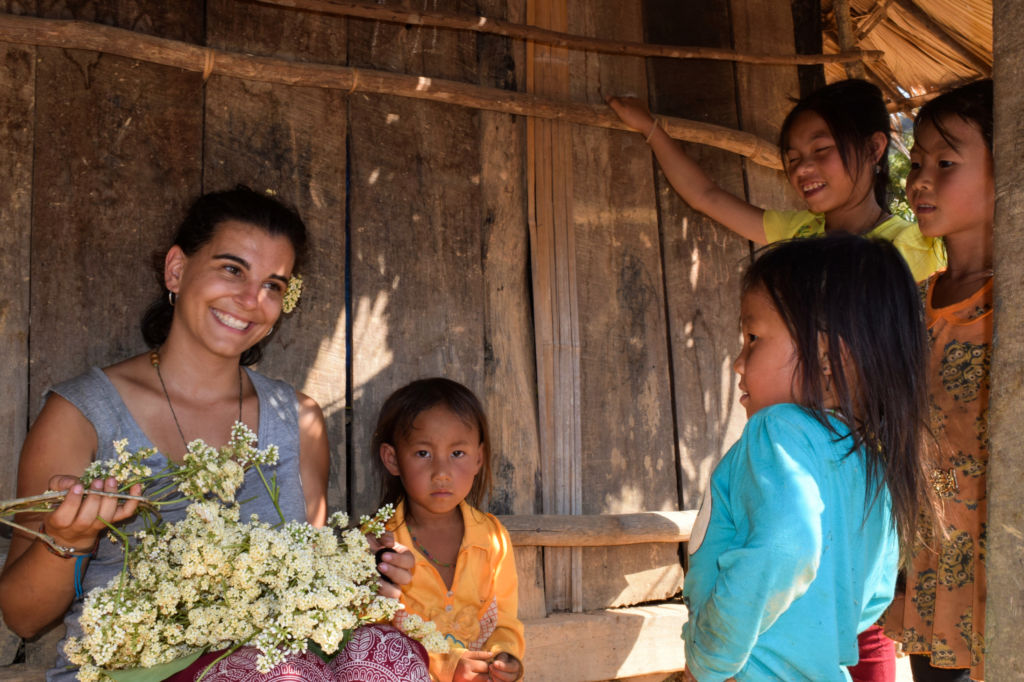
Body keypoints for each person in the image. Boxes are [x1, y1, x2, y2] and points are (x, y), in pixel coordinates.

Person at [0, 186, 418, 681]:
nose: (251, 300)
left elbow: (304, 577)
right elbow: (24, 618)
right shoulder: (82, 415)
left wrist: (356, 569)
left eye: (273, 285)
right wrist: (68, 539)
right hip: (135, 672)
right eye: (232, 270)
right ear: (177, 270)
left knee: (388, 654)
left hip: (281, 660)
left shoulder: (297, 421)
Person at [681, 234, 929, 681]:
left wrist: (710, 659)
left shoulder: (777, 431)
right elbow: (875, 590)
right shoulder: (869, 458)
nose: (738, 362)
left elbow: (786, 546)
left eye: (753, 338)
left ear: (828, 356)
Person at [607, 79, 945, 283]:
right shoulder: (800, 233)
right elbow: (705, 195)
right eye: (793, 158)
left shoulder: (918, 247)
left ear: (873, 149)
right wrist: (649, 128)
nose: (802, 169)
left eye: (821, 150)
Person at [882, 79, 994, 682]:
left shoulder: (1010, 304)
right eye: (918, 162)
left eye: (945, 163)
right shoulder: (912, 303)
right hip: (930, 580)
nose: (919, 180)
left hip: (999, 578)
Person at [369, 378, 525, 682]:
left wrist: (503, 658)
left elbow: (505, 623)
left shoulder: (492, 538)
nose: (441, 473)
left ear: (478, 458)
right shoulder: (381, 543)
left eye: (457, 454)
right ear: (393, 459)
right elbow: (378, 639)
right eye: (423, 453)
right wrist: (449, 665)